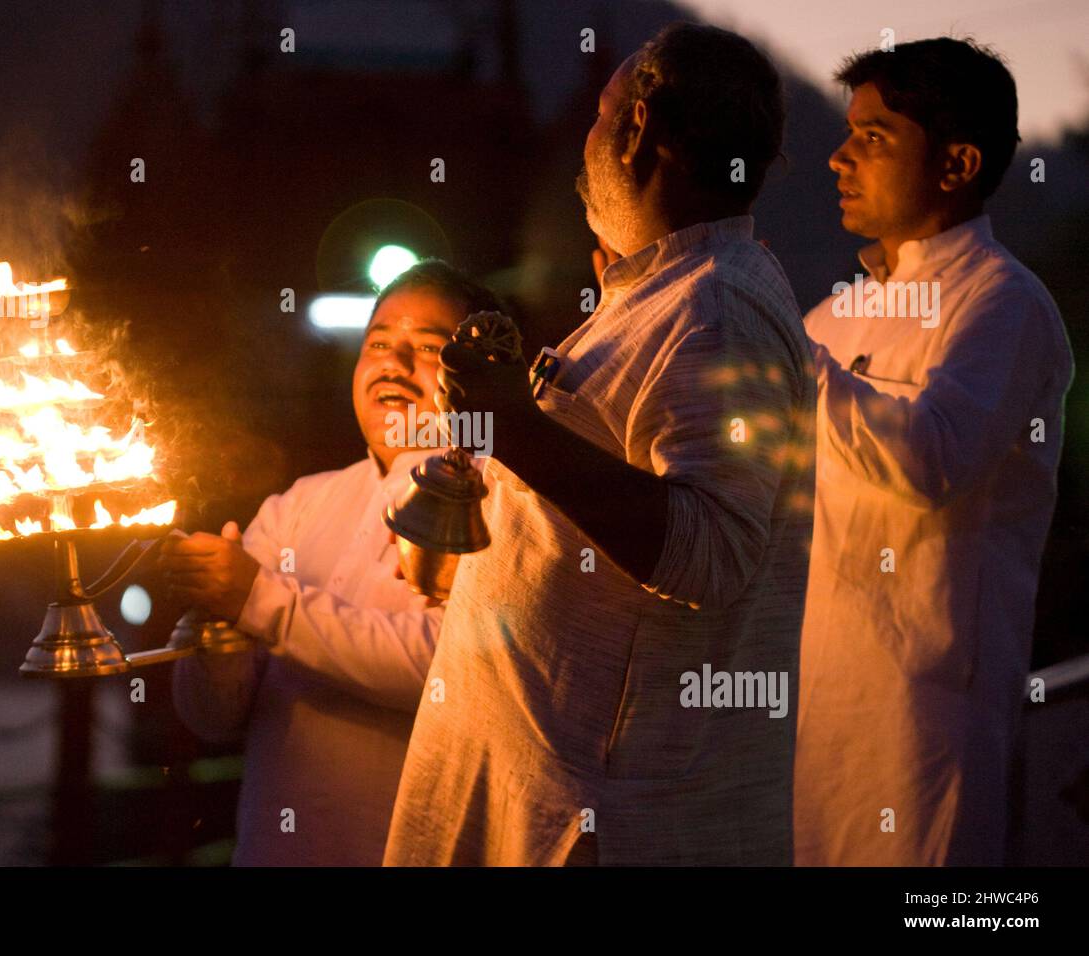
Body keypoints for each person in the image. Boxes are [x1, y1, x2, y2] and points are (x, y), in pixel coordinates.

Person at [383, 23, 816, 866]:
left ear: (641, 126)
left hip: (593, 821)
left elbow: (716, 552)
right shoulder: (670, 291)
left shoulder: (718, 309)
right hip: (538, 785)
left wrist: (517, 430)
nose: (584, 145)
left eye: (598, 116)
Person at [794, 38, 1074, 866]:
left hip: (923, 733)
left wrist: (784, 357)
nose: (840, 156)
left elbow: (934, 457)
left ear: (956, 164)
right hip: (809, 724)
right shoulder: (831, 318)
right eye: (847, 133)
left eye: (875, 137)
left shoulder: (1004, 303)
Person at [164, 260, 507, 865]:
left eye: (426, 347)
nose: (393, 364)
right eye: (378, 342)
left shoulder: (499, 499)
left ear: (477, 373)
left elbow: (444, 670)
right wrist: (217, 647)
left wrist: (255, 600)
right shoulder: (299, 503)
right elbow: (213, 719)